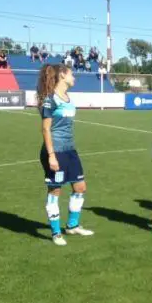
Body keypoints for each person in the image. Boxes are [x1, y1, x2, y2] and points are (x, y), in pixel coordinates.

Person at [37, 64, 93, 246]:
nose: (74, 77)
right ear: (62, 75)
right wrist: (51, 156)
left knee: (80, 187)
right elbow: (46, 129)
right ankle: (55, 233)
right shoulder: (50, 100)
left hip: (70, 150)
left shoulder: (68, 98)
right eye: (72, 74)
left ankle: (72, 225)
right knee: (55, 190)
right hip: (55, 151)